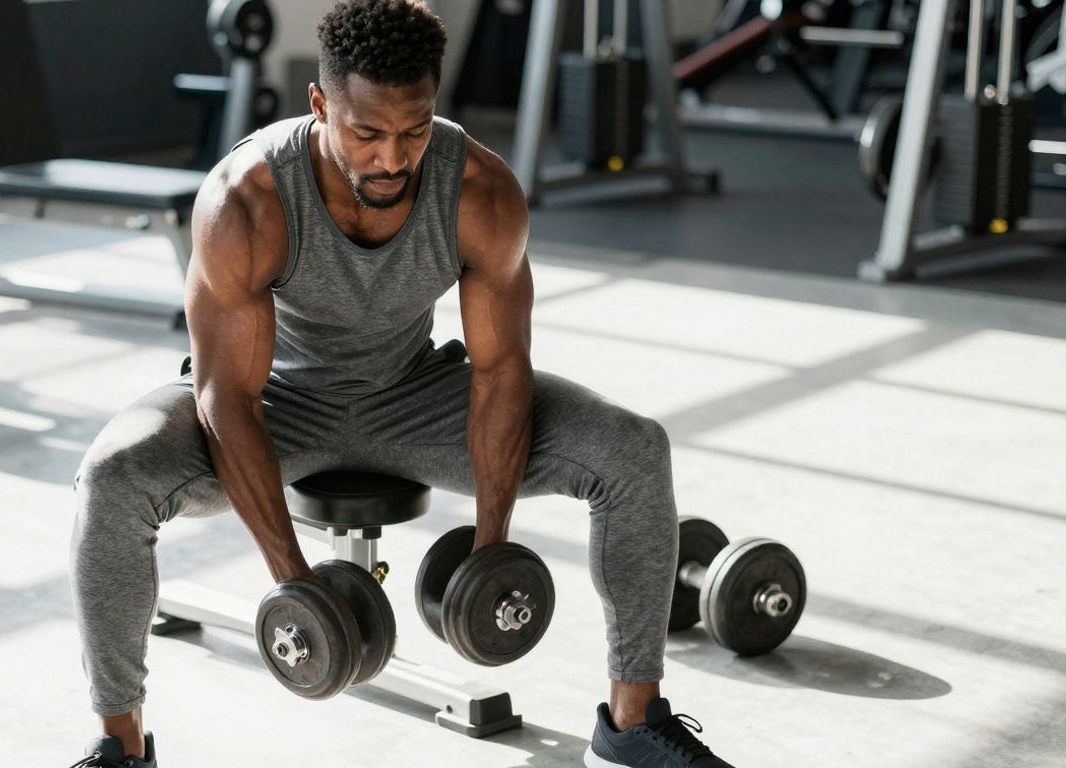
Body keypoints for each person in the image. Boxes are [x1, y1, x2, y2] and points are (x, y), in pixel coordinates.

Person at [68, 2, 735, 766]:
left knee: (632, 449)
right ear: (320, 106)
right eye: (366, 133)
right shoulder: (246, 200)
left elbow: (499, 370)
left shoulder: (479, 190)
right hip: (276, 400)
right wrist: (295, 582)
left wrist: (490, 551)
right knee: (112, 476)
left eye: (413, 131)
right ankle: (120, 743)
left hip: (416, 394)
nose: (392, 158)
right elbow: (229, 398)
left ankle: (632, 725)